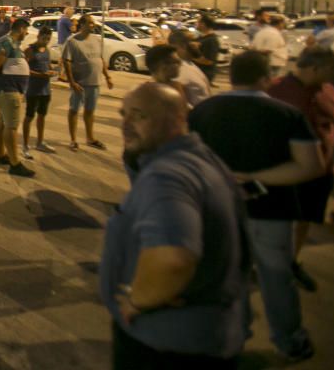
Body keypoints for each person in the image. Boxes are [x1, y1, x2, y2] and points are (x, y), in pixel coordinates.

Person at [189, 51, 324, 362]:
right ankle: (289, 340)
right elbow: (310, 166)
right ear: (266, 78)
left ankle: (233, 335)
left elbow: (190, 159)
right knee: (277, 279)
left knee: (228, 276)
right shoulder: (286, 114)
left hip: (219, 209)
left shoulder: (203, 111)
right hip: (272, 210)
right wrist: (253, 177)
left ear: (232, 76)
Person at [102, 82, 248, 368]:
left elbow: (173, 260)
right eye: (124, 114)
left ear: (179, 118)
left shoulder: (167, 176)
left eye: (139, 115)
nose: (126, 124)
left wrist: (137, 301)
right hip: (206, 335)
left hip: (165, 345)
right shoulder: (202, 159)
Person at [266, 47, 334, 293]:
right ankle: (269, 265)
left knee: (305, 219)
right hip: (287, 170)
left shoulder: (329, 90)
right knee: (280, 221)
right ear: (314, 68)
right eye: (333, 67)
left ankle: (292, 262)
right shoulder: (278, 89)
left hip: (321, 171)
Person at [0, 18, 36, 176]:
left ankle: (1, 154)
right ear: (21, 28)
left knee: (3, 122)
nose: (27, 33)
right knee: (12, 126)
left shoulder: (13, 43)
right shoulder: (6, 42)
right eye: (26, 30)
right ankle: (15, 163)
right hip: (8, 91)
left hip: (9, 90)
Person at [62, 15, 114, 150]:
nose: (93, 25)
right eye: (90, 23)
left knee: (90, 111)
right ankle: (73, 140)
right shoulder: (73, 41)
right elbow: (67, 62)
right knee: (74, 110)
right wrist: (72, 82)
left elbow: (100, 58)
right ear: (82, 24)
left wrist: (107, 77)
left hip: (95, 82)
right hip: (80, 83)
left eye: (93, 23)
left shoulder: (96, 40)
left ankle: (90, 138)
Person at [21, 25, 56, 158]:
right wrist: (40, 75)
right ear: (38, 36)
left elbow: (48, 65)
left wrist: (52, 71)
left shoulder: (46, 50)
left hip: (45, 89)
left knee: (42, 116)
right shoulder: (30, 50)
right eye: (44, 38)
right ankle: (25, 145)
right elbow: (25, 69)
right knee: (29, 117)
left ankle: (40, 142)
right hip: (33, 90)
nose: (46, 41)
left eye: (48, 39)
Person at [167, 30, 211, 107]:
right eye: (193, 41)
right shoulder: (177, 71)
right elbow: (179, 107)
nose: (198, 44)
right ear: (183, 46)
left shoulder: (189, 65)